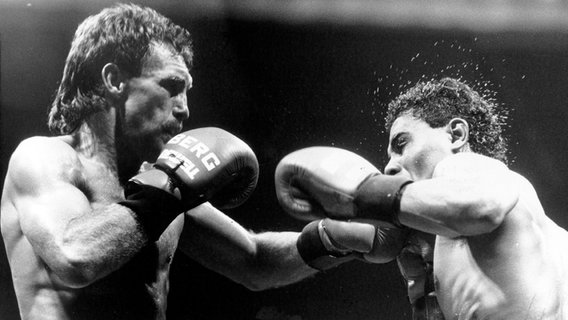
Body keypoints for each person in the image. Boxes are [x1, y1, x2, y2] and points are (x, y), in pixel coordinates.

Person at [0, 4, 408, 320]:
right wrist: (170, 186)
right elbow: (74, 258)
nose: (185, 110)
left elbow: (253, 260)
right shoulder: (45, 158)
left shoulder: (158, 183)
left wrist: (335, 237)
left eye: (188, 92)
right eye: (172, 87)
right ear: (113, 80)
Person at [274, 77, 568, 319]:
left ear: (456, 135)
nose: (389, 166)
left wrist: (366, 193)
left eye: (402, 144)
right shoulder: (546, 244)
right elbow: (256, 265)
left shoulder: (470, 167)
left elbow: (481, 208)